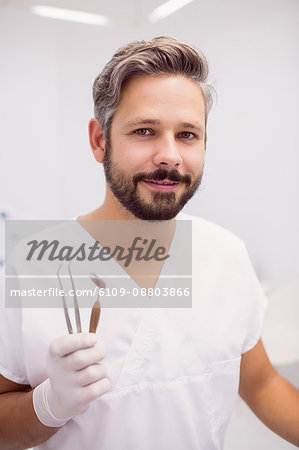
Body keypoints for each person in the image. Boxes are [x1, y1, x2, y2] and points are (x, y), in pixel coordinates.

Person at [0, 36, 298, 450]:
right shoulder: (32, 267)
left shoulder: (224, 254)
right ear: (99, 141)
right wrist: (46, 406)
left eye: (188, 134)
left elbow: (263, 385)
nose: (170, 155)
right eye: (145, 131)